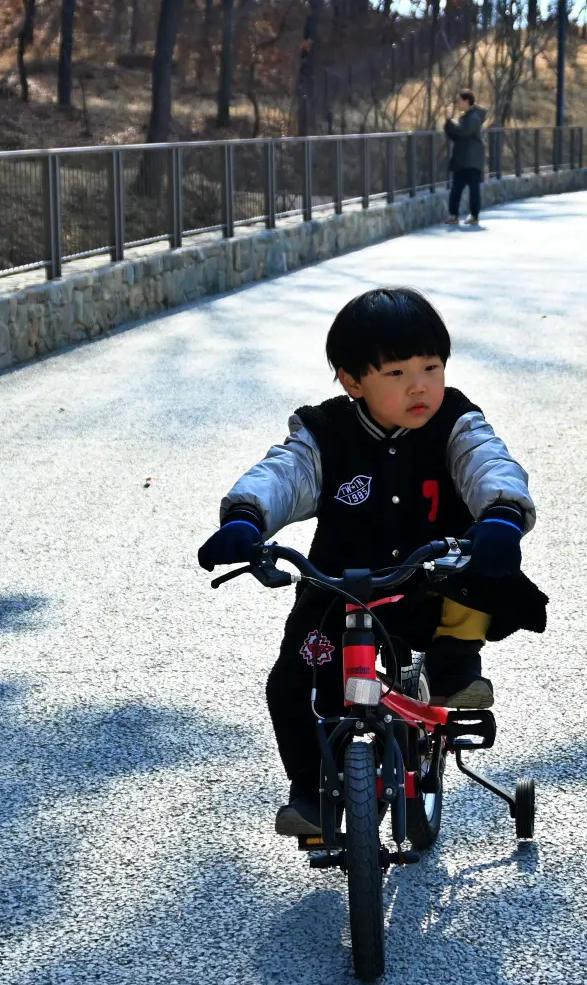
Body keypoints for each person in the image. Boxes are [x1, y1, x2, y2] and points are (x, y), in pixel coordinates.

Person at [196, 288, 548, 837]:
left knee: (482, 569)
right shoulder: (325, 433)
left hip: (434, 579)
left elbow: (488, 463)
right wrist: (247, 518)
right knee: (293, 682)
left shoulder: (456, 422)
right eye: (396, 373)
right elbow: (284, 474)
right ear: (352, 381)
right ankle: (313, 792)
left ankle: (454, 665)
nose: (419, 385)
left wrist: (502, 512)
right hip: (343, 585)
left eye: (431, 367)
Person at [443, 90, 488, 225]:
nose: (458, 103)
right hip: (464, 159)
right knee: (457, 188)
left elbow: (462, 132)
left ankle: (473, 216)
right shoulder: (467, 116)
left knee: (472, 189)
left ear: (466, 101)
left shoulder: (473, 118)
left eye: (460, 100)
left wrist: (449, 121)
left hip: (471, 160)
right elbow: (456, 135)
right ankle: (454, 215)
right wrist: (449, 123)